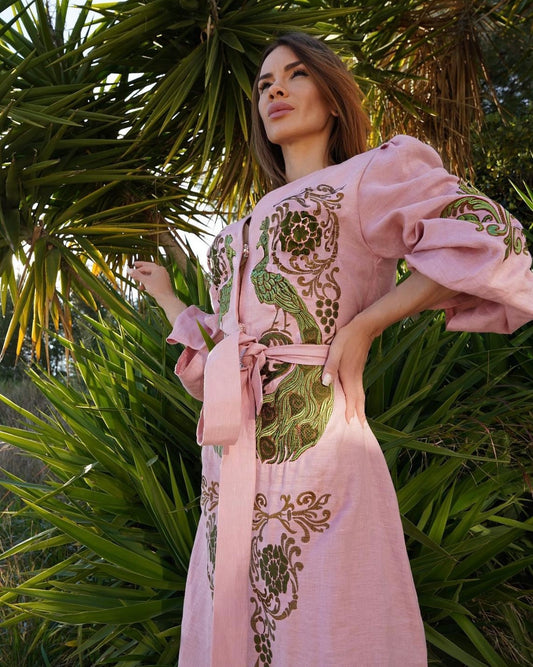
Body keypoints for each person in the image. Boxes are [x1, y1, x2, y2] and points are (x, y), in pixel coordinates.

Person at [128, 32, 533, 667]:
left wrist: (367, 324)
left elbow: (489, 232)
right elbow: (227, 347)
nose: (276, 91)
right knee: (234, 617)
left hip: (318, 443)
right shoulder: (239, 226)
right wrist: (168, 300)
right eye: (264, 84)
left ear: (333, 96)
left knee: (325, 612)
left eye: (295, 75)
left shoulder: (365, 178)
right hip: (230, 462)